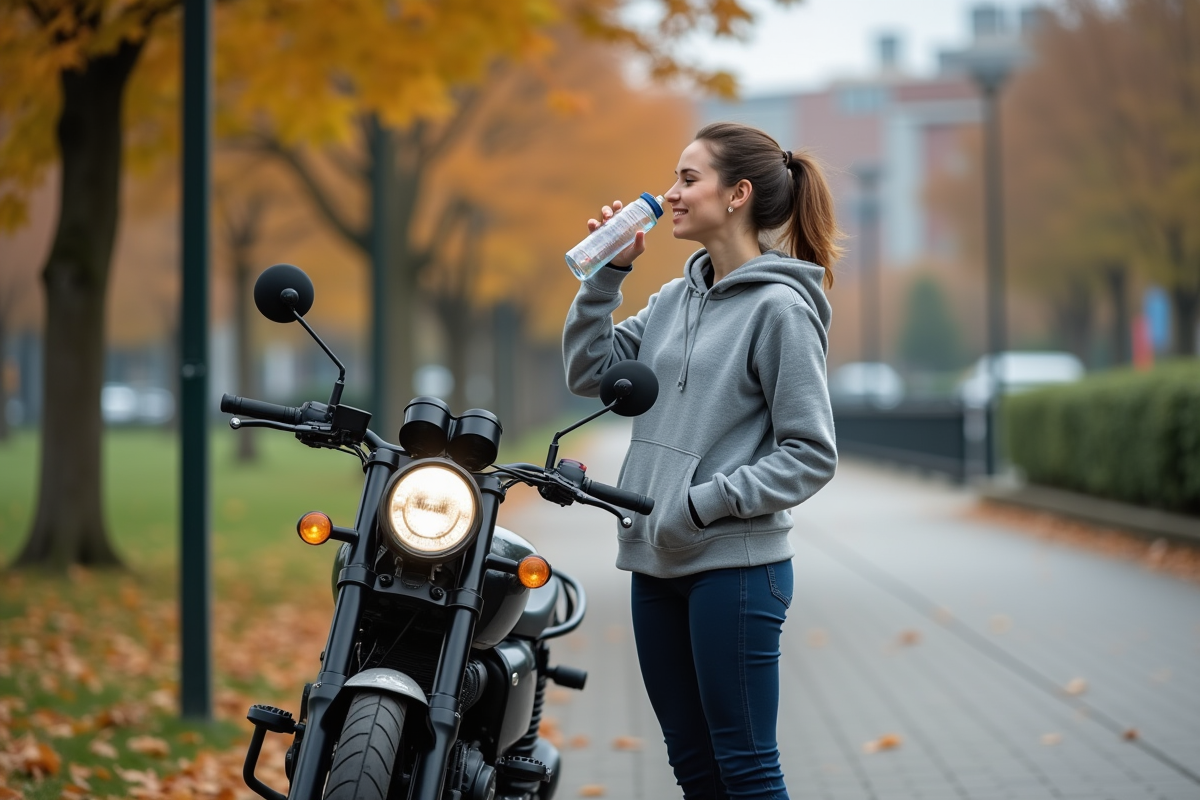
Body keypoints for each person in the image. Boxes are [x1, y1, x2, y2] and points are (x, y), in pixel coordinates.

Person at [561, 121, 841, 800]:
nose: (671, 195)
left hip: (736, 569)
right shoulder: (670, 301)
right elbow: (590, 372)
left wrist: (700, 503)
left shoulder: (780, 309)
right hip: (655, 563)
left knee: (743, 767)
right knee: (692, 765)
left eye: (688, 179)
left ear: (738, 193)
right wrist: (608, 272)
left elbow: (810, 454)